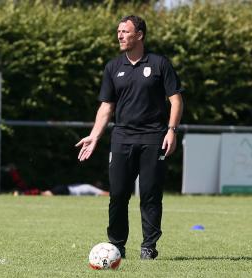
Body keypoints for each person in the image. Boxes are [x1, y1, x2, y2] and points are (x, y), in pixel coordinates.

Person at [75, 15, 184, 260]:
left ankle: (149, 247)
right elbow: (106, 107)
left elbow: (176, 100)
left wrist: (171, 130)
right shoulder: (113, 67)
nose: (120, 35)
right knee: (118, 195)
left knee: (150, 195)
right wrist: (94, 136)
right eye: (118, 31)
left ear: (140, 35)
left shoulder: (159, 64)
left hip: (153, 138)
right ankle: (116, 246)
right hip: (122, 138)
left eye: (125, 31)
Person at [41, 183, 109, 196]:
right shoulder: (91, 188)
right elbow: (104, 193)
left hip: (66, 188)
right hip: (67, 190)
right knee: (49, 194)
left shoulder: (86, 185)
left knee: (48, 193)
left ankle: (39, 193)